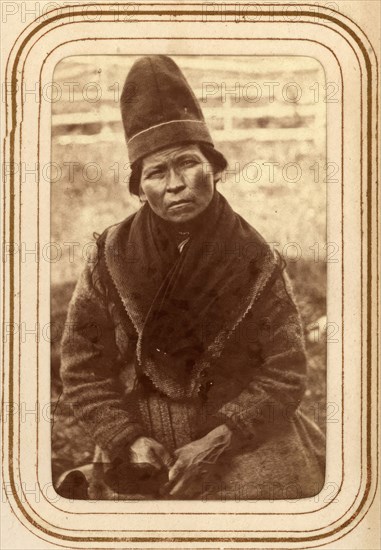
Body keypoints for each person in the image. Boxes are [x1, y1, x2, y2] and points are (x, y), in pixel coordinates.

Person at [59, 55, 325, 500]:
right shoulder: (110, 256)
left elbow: (284, 371)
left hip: (238, 429)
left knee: (270, 513)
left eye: (186, 163)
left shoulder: (257, 258)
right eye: (156, 172)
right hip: (145, 435)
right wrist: (125, 438)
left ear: (215, 169)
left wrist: (219, 440)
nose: (175, 184)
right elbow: (82, 367)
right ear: (139, 187)